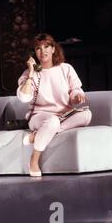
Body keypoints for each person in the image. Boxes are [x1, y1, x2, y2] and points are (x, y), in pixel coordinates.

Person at [17, 33, 92, 177]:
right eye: (38, 48)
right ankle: (34, 159)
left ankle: (37, 136)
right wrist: (32, 71)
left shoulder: (66, 68)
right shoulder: (28, 74)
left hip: (64, 115)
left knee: (87, 115)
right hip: (40, 116)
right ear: (34, 53)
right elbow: (24, 97)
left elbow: (75, 89)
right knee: (52, 121)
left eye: (46, 46)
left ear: (53, 49)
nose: (43, 51)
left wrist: (76, 96)